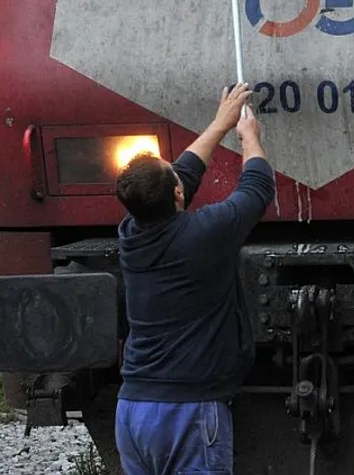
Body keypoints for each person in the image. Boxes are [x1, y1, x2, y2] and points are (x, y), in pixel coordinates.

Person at [114, 83, 275, 475]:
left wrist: (220, 124)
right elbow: (257, 187)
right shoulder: (203, 235)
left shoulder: (131, 235)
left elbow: (182, 173)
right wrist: (250, 138)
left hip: (133, 410)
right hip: (187, 412)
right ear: (177, 195)